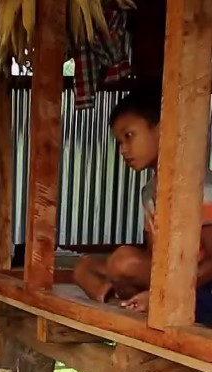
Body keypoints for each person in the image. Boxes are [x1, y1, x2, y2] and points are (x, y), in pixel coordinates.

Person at [73, 88, 212, 325]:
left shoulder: (200, 187)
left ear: (161, 130)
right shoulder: (149, 192)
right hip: (164, 278)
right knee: (84, 267)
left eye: (129, 136)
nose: (123, 150)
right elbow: (152, 255)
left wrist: (171, 293)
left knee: (123, 261)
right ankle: (120, 300)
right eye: (119, 142)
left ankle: (147, 300)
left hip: (200, 284)